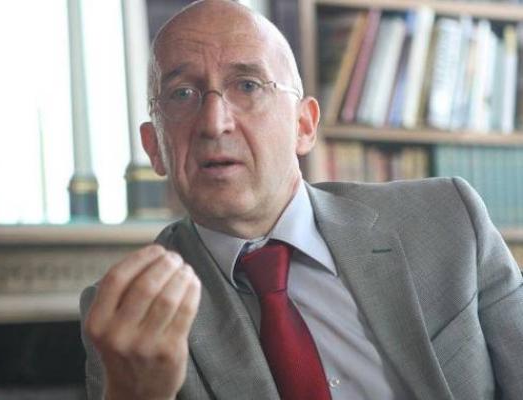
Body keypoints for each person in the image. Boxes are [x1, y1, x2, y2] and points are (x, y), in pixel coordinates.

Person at [79, 1, 523, 399]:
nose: (214, 123)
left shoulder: (448, 219)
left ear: (304, 125)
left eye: (247, 85)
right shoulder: (129, 315)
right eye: (182, 94)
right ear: (154, 147)